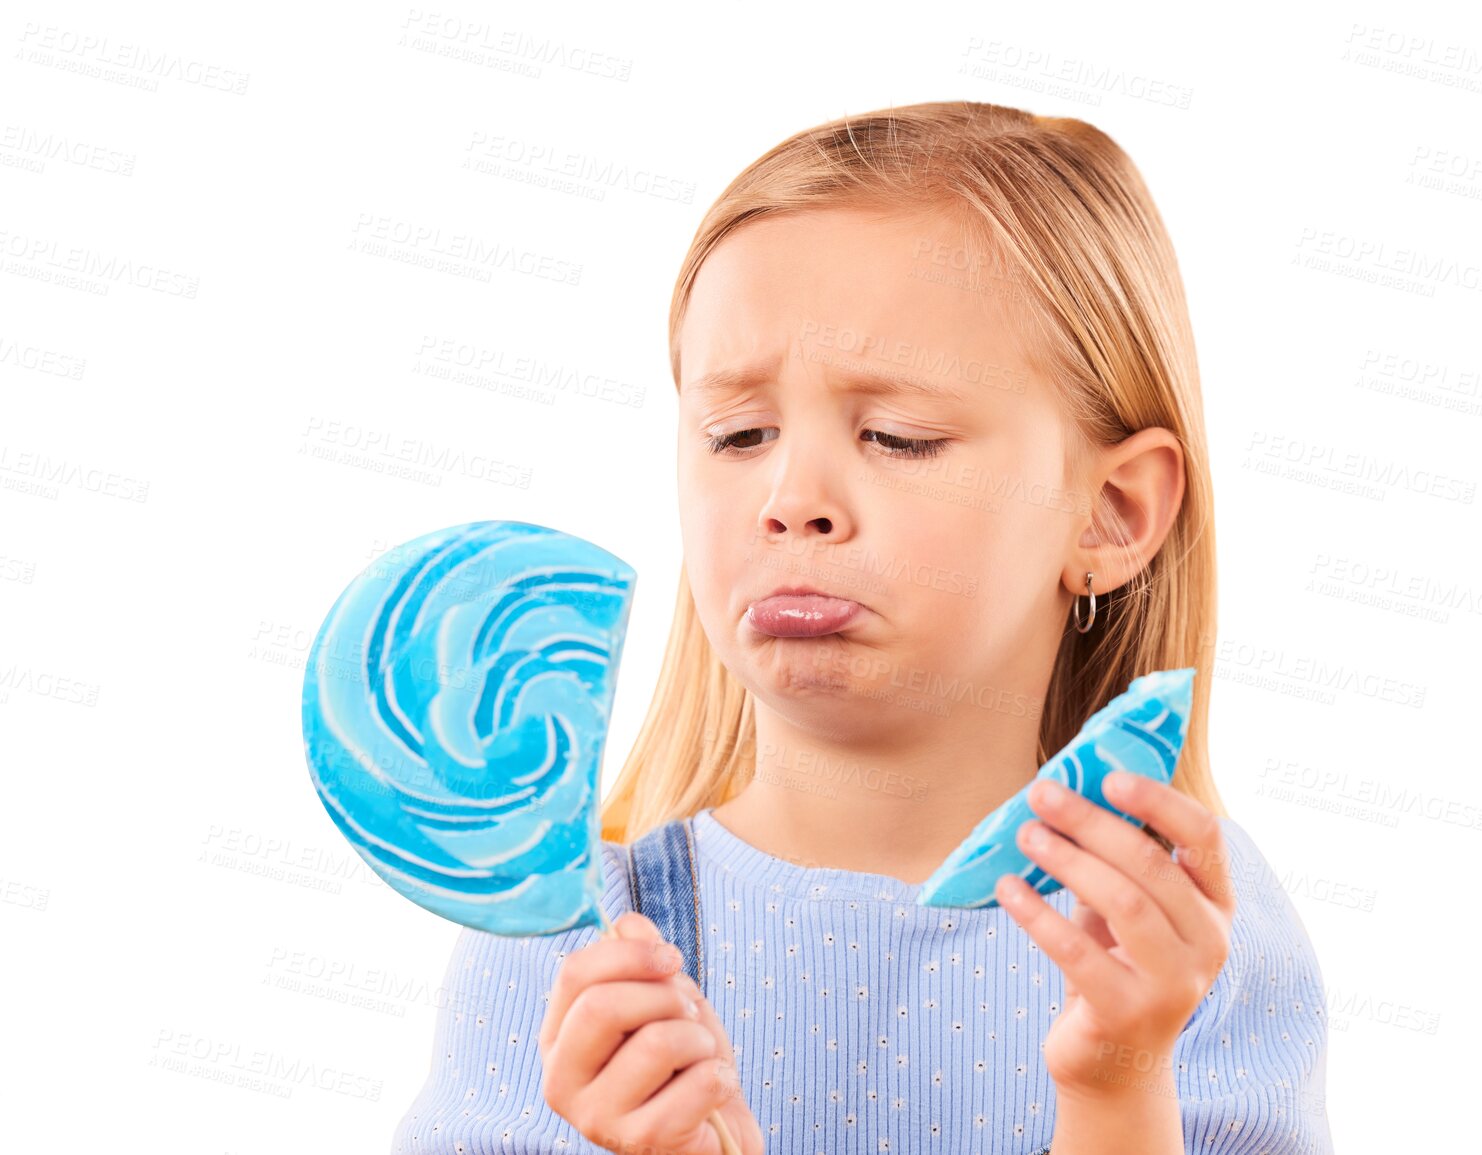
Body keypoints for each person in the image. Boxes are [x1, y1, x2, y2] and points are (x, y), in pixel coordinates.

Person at [392, 100, 1333, 1155]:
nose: (793, 499)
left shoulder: (1183, 929)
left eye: (898, 435)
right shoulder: (564, 944)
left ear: (1112, 514)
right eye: (738, 433)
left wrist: (1118, 1085)